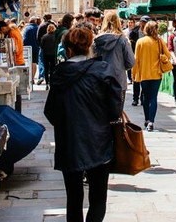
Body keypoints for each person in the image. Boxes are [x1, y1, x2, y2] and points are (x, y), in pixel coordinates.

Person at [44, 25, 123, 222]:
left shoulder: (59, 74)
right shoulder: (102, 70)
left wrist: (67, 124)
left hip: (69, 141)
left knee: (73, 198)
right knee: (98, 198)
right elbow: (115, 110)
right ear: (89, 46)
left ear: (68, 49)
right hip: (98, 140)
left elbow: (50, 111)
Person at [131, 18, 169, 130]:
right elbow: (168, 55)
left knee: (145, 97)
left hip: (144, 74)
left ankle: (147, 119)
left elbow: (136, 59)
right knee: (153, 98)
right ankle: (151, 121)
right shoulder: (159, 41)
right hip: (157, 74)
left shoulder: (140, 42)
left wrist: (134, 73)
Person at [93, 10, 135, 100]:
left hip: (100, 80)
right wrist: (121, 66)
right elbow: (131, 62)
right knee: (117, 112)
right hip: (118, 80)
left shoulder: (97, 40)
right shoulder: (122, 40)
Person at [128, 16, 144, 106]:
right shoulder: (134, 32)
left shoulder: (148, 33)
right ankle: (135, 99)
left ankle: (142, 98)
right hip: (135, 58)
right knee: (136, 80)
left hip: (145, 59)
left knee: (143, 80)